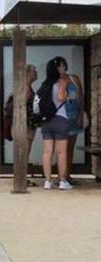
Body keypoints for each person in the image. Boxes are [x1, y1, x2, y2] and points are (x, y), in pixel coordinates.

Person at [36, 58, 72, 190]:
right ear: (58, 69)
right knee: (61, 153)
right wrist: (66, 90)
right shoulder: (62, 81)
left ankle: (47, 181)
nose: (63, 69)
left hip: (46, 121)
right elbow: (61, 98)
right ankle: (62, 181)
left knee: (47, 152)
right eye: (62, 67)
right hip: (60, 119)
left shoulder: (44, 84)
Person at [60, 59, 84, 185]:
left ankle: (67, 174)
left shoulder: (74, 78)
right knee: (61, 148)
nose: (61, 68)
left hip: (74, 117)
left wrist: (81, 114)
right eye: (58, 66)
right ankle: (61, 176)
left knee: (70, 148)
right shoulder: (56, 81)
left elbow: (81, 97)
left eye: (63, 65)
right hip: (62, 118)